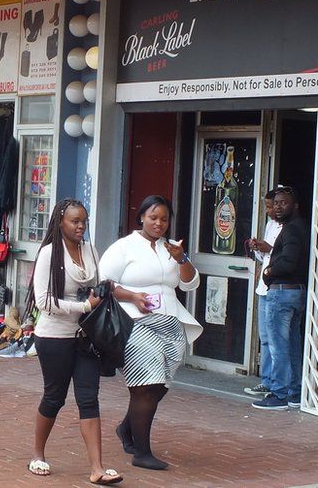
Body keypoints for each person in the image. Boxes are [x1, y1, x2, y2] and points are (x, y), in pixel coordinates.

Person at [99, 195, 201, 470]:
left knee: (160, 384)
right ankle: (141, 453)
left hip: (170, 321)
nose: (159, 223)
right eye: (153, 217)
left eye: (164, 219)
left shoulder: (172, 249)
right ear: (141, 217)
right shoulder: (124, 247)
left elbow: (190, 284)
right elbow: (103, 283)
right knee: (144, 386)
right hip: (135, 322)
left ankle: (126, 428)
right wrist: (132, 296)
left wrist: (182, 260)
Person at [26, 198, 122, 485]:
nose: (81, 226)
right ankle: (37, 454)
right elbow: (43, 301)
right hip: (54, 337)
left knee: (89, 399)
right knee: (54, 398)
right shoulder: (49, 254)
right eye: (75, 221)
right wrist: (84, 307)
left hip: (86, 338)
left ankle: (97, 468)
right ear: (60, 222)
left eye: (84, 221)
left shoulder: (90, 250)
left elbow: (100, 287)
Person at [253, 187, 309, 410]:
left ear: (295, 206)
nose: (278, 206)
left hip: (283, 292)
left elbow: (288, 262)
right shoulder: (298, 227)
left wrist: (268, 272)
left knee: (279, 345)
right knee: (292, 343)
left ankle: (279, 393)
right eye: (275, 203)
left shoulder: (293, 230)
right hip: (295, 292)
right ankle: (294, 393)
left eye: (283, 203)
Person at [244, 189, 283, 397]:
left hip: (277, 287)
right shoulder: (270, 225)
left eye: (272, 206)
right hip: (263, 287)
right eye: (267, 206)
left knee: (278, 339)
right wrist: (258, 248)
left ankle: (277, 382)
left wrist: (270, 249)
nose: (269, 210)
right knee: (265, 337)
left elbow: (287, 256)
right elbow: (263, 258)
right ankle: (267, 379)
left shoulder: (290, 227)